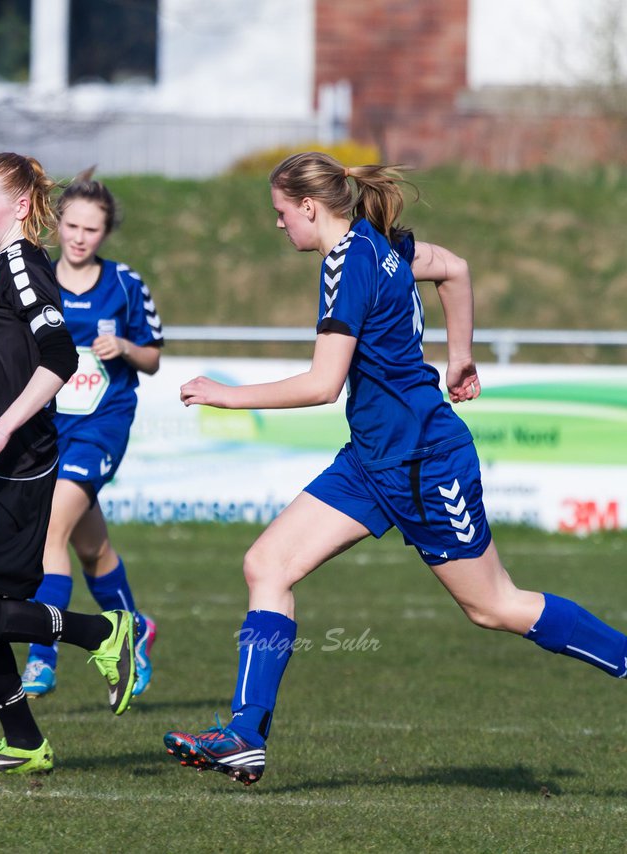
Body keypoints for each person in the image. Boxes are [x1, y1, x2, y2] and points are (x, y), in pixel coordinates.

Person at [163, 151, 627, 786]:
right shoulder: (380, 242)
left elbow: (324, 383)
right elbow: (455, 270)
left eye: (280, 213)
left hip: (423, 461)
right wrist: (459, 357)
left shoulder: (348, 262)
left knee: (495, 606)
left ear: (308, 207)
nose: (277, 226)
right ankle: (244, 735)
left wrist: (226, 394)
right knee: (266, 565)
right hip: (373, 458)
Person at [0, 152, 139, 776]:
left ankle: (103, 635)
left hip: (16, 465)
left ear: (18, 206)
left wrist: (0, 431)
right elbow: (1, 371)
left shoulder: (21, 265)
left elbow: (58, 357)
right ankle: (24, 742)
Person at [21, 168, 164, 700]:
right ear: (58, 225)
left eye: (92, 229)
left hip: (102, 426)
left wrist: (124, 348)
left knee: (49, 533)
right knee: (90, 548)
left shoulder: (125, 284)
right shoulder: (37, 280)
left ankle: (41, 655)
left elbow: (151, 357)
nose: (80, 238)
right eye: (73, 226)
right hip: (47, 427)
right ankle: (134, 628)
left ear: (106, 233)